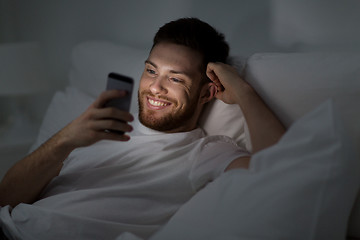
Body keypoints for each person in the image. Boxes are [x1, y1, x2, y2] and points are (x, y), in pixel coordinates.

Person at [0, 18, 285, 239]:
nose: (155, 88)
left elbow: (281, 176)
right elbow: (5, 198)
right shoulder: (96, 127)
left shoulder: (205, 151)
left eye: (175, 79)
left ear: (206, 93)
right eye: (151, 71)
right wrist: (65, 140)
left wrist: (243, 91)